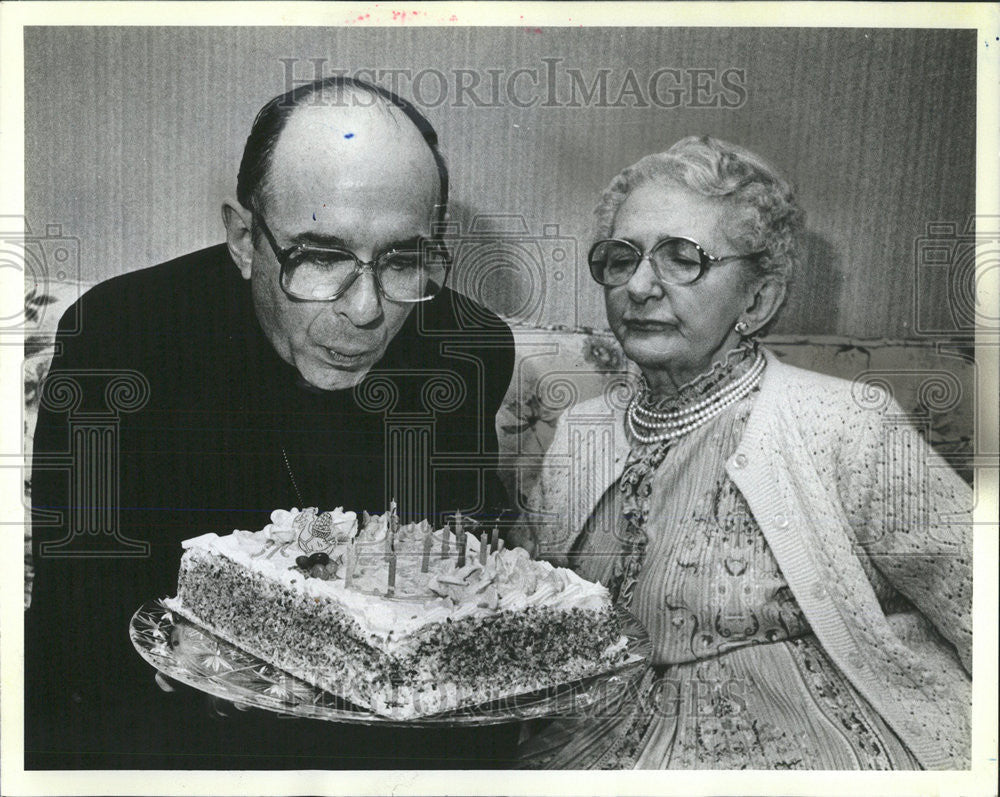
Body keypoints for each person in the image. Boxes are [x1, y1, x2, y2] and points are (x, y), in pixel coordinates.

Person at [26, 76, 516, 769]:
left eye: (403, 258)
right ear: (244, 239)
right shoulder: (121, 336)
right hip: (164, 730)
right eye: (320, 256)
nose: (367, 310)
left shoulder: (467, 346)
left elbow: (448, 600)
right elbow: (79, 625)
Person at [514, 136, 971, 770]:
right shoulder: (582, 428)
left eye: (682, 259)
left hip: (814, 736)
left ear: (757, 300)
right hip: (598, 735)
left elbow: (977, 595)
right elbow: (524, 607)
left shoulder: (844, 424)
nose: (640, 286)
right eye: (622, 258)